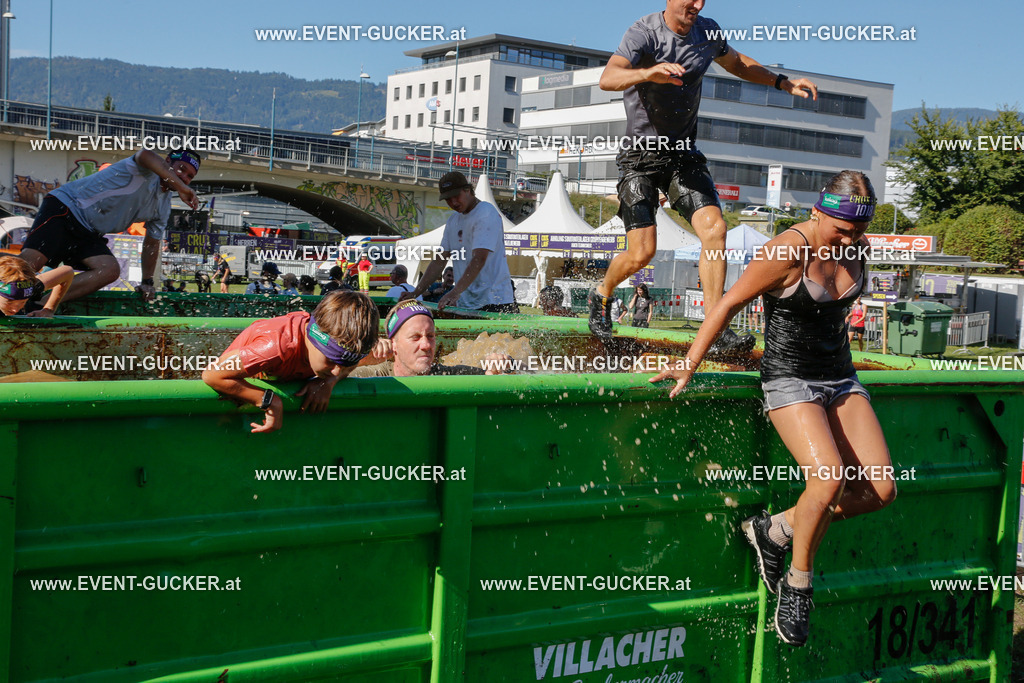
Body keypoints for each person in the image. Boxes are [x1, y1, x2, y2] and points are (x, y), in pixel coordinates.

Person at [651, 171, 895, 647]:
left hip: (841, 377)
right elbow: (727, 304)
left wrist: (852, 242)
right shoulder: (785, 250)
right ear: (817, 212)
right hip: (790, 378)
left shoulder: (857, 247)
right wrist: (689, 363)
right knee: (828, 479)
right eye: (841, 229)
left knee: (881, 490)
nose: (849, 239)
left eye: (859, 231)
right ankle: (798, 586)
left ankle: (776, 528)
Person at [591, 0, 817, 355]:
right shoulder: (644, 33)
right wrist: (647, 73)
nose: (697, 5)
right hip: (640, 158)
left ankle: (715, 327)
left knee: (715, 230)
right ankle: (601, 293)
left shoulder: (707, 31)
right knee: (642, 253)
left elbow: (738, 63)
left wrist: (781, 82)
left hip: (682, 155)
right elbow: (608, 78)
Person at [19, 149, 200, 302]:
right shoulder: (144, 169)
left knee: (109, 270)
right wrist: (182, 188)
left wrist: (147, 282)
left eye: (189, 176)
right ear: (167, 162)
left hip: (89, 232)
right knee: (31, 264)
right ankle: (12, 292)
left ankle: (40, 304)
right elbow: (145, 154)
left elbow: (151, 244)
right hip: (66, 208)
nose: (183, 177)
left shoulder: (163, 207)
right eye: (181, 169)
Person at [203, 290, 379, 433]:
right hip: (231, 407)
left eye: (346, 364)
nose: (336, 371)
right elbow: (212, 374)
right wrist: (268, 400)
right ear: (314, 339)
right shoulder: (276, 347)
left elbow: (346, 366)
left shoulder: (341, 351)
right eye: (331, 360)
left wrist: (328, 382)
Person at [400, 172, 518, 314]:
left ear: (468, 190)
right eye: (448, 199)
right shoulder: (453, 221)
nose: (453, 203)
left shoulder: (486, 213)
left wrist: (455, 292)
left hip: (495, 301)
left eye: (456, 196)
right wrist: (415, 292)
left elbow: (479, 258)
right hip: (466, 302)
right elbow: (439, 261)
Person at [351, 299, 512, 377]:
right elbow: (334, 378)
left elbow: (519, 373)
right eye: (415, 337)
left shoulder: (445, 375)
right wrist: (359, 360)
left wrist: (503, 365)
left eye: (430, 336)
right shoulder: (374, 375)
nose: (426, 345)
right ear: (394, 344)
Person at [0, 255, 73, 317]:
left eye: (23, 302)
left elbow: (68, 271)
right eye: (9, 302)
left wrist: (49, 309)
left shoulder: (27, 287)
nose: (15, 310)